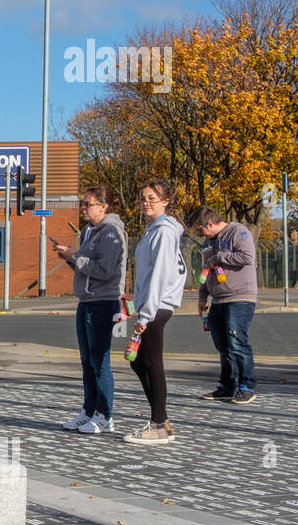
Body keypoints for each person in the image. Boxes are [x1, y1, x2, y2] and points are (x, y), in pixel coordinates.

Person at [53, 185, 127, 433]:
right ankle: (88, 410)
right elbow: (85, 268)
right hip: (86, 300)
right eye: (83, 203)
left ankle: (105, 415)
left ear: (104, 207)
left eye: (88, 204)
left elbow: (106, 270)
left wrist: (76, 257)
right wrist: (70, 258)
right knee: (86, 360)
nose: (83, 208)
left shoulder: (111, 232)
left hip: (104, 301)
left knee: (99, 360)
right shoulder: (88, 231)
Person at [123, 180, 188, 445]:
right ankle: (161, 419)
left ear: (166, 201)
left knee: (152, 363)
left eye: (152, 198)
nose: (145, 202)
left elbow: (161, 274)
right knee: (138, 361)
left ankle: (159, 425)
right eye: (142, 198)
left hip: (157, 306)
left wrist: (146, 315)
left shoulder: (163, 231)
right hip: (153, 305)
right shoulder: (155, 230)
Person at [187, 206, 258, 403]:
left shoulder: (238, 232)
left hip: (239, 297)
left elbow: (247, 257)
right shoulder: (208, 242)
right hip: (218, 298)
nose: (199, 234)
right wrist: (202, 296)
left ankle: (247, 385)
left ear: (209, 224)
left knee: (237, 343)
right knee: (223, 346)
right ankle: (227, 386)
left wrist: (219, 257)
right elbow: (206, 269)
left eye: (200, 229)